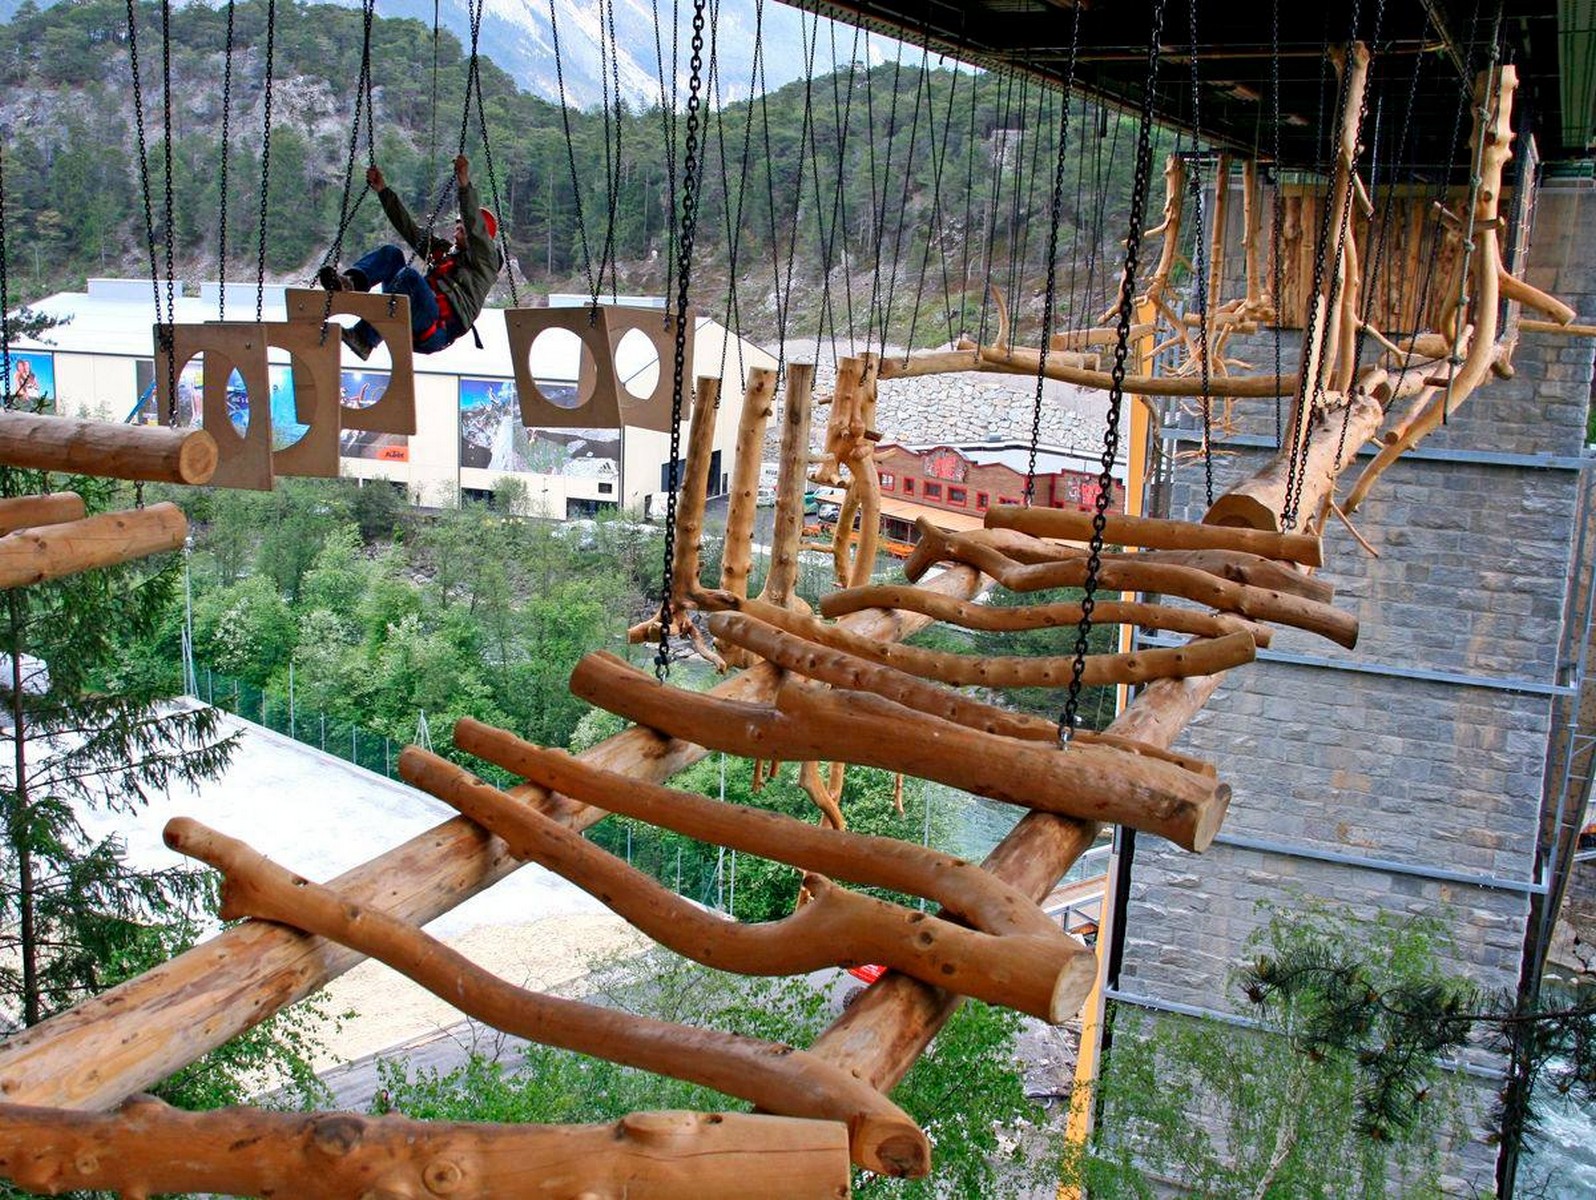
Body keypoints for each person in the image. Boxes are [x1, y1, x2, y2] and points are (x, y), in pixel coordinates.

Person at [320, 154, 502, 360]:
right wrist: (383, 191)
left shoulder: (485, 263)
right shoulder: (446, 253)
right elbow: (411, 231)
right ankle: (351, 283)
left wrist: (464, 184)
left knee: (409, 277)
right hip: (417, 313)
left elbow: (475, 227)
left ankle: (364, 337)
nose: (455, 232)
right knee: (392, 254)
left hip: (437, 328)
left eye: (461, 229)